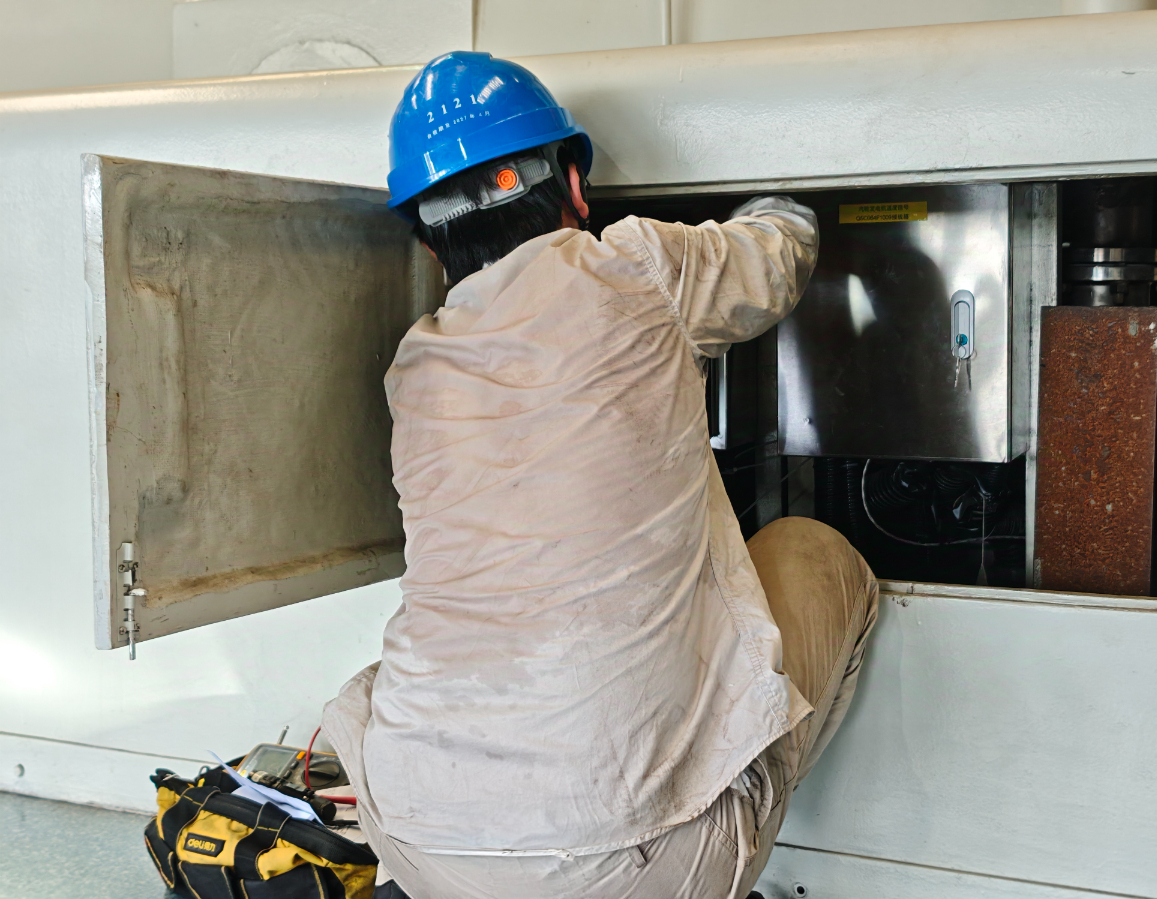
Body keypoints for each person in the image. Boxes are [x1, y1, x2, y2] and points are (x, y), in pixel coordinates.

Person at [322, 51, 878, 899]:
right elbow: (780, 253)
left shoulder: (415, 366)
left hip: (424, 850)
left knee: (373, 697)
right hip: (634, 863)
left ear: (431, 244)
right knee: (814, 550)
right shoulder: (636, 266)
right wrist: (779, 203)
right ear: (575, 186)